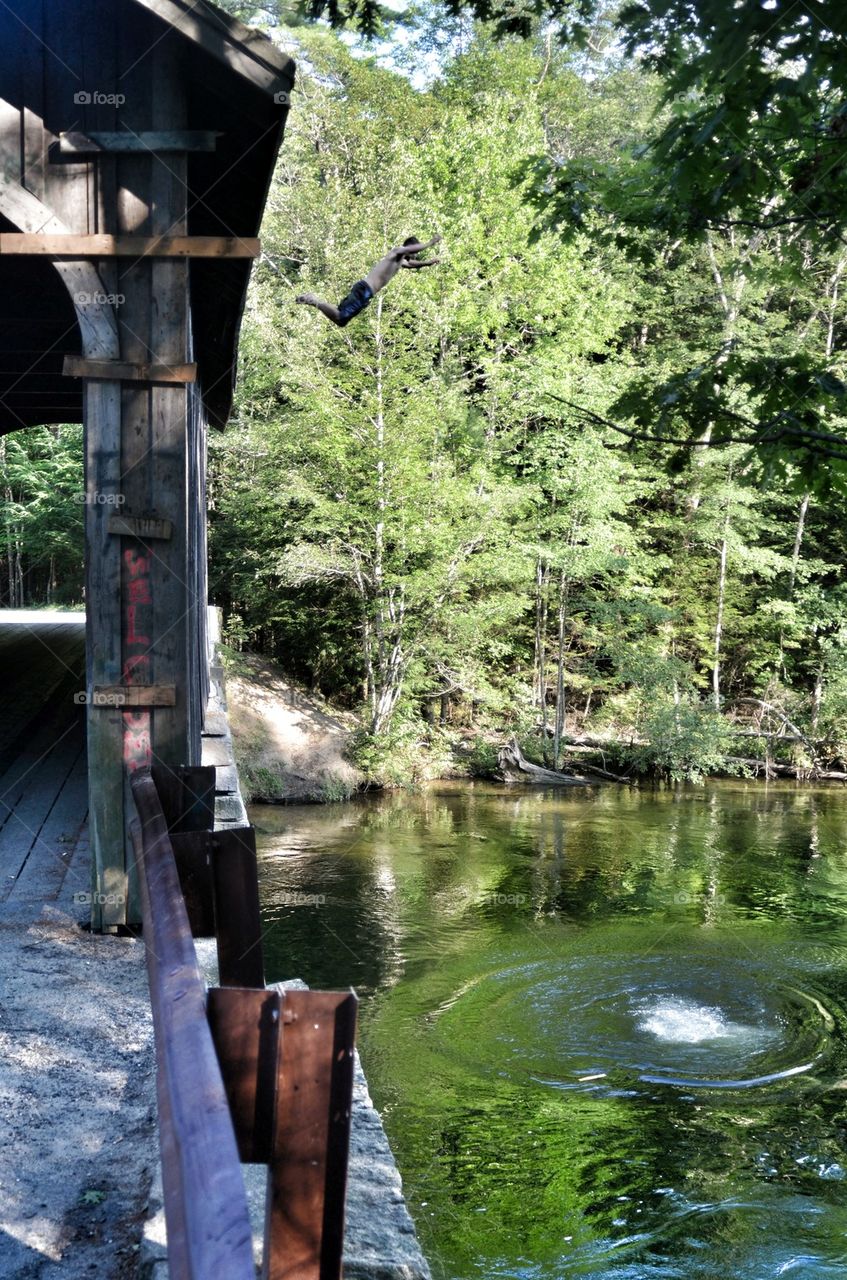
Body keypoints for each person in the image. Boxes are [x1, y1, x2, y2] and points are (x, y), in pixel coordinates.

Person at [295, 235, 441, 327]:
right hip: (364, 290)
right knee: (340, 317)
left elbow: (411, 265)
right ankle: (312, 300)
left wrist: (429, 263)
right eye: (415, 253)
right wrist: (430, 243)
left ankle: (313, 300)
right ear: (411, 249)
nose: (415, 257)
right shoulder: (397, 252)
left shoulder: (400, 261)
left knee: (341, 319)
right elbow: (411, 254)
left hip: (365, 293)